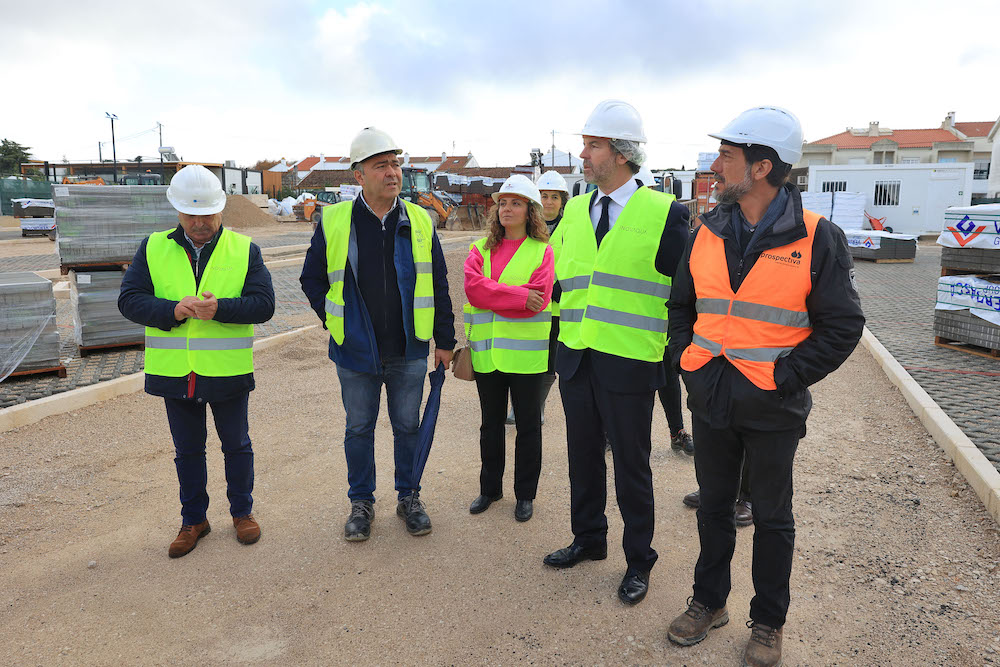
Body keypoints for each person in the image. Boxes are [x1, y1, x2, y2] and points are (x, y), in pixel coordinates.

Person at [665, 107, 864, 666]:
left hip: (773, 405)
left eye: (727, 157)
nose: (715, 166)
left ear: (762, 167)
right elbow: (682, 305)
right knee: (713, 508)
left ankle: (768, 621)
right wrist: (690, 361)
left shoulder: (817, 236)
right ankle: (709, 602)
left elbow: (843, 325)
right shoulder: (706, 230)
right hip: (711, 396)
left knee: (773, 518)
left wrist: (786, 376)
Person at [542, 100, 690, 606]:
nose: (582, 154)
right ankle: (589, 538)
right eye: (585, 144)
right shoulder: (577, 211)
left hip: (630, 361)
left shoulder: (667, 213)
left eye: (593, 145)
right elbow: (558, 281)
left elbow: (684, 294)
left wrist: (673, 354)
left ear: (621, 154)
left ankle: (639, 560)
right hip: (577, 358)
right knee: (582, 457)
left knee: (632, 464)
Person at [299, 127, 455, 542]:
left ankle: (409, 496)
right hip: (355, 351)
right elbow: (311, 278)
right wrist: (334, 321)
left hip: (408, 347)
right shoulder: (334, 221)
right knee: (359, 428)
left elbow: (437, 283)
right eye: (381, 165)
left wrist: (444, 339)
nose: (392, 172)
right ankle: (361, 502)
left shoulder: (421, 219)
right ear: (359, 175)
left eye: (396, 164)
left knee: (407, 426)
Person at [118, 164, 275, 558]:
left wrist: (221, 308)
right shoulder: (153, 247)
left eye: (207, 214)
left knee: (236, 445)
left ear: (221, 209)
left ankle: (242, 513)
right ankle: (194, 520)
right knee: (187, 450)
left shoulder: (244, 250)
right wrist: (173, 310)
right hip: (176, 373)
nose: (200, 222)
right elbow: (129, 299)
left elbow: (264, 305)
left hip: (227, 372)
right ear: (177, 210)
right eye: (191, 214)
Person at [464, 175, 554, 522]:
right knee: (491, 425)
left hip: (527, 357)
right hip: (488, 355)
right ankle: (490, 489)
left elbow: (539, 299)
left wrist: (494, 295)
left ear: (530, 210)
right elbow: (474, 291)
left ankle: (525, 495)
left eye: (515, 202)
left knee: (529, 427)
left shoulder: (541, 251)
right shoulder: (479, 249)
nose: (506, 208)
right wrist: (517, 295)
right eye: (502, 202)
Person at [634, 168, 695, 455]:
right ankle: (612, 432)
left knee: (669, 376)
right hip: (629, 322)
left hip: (664, 317)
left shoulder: (669, 224)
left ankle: (677, 431)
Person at [504, 169, 567, 426]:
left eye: (554, 197)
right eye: (544, 196)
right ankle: (517, 405)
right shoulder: (524, 227)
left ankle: (537, 405)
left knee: (548, 361)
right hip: (528, 304)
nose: (549, 202)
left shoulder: (571, 228)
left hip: (558, 309)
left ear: (563, 200)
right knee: (521, 356)